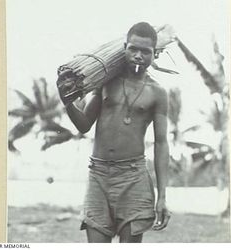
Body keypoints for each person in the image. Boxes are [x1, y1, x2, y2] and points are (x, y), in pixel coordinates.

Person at [58, 22, 171, 243]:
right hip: (98, 174)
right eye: (133, 49)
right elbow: (84, 125)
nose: (138, 56)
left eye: (145, 51)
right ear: (124, 47)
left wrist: (162, 197)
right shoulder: (105, 83)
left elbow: (161, 144)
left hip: (133, 177)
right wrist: (68, 104)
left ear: (155, 54)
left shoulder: (157, 93)